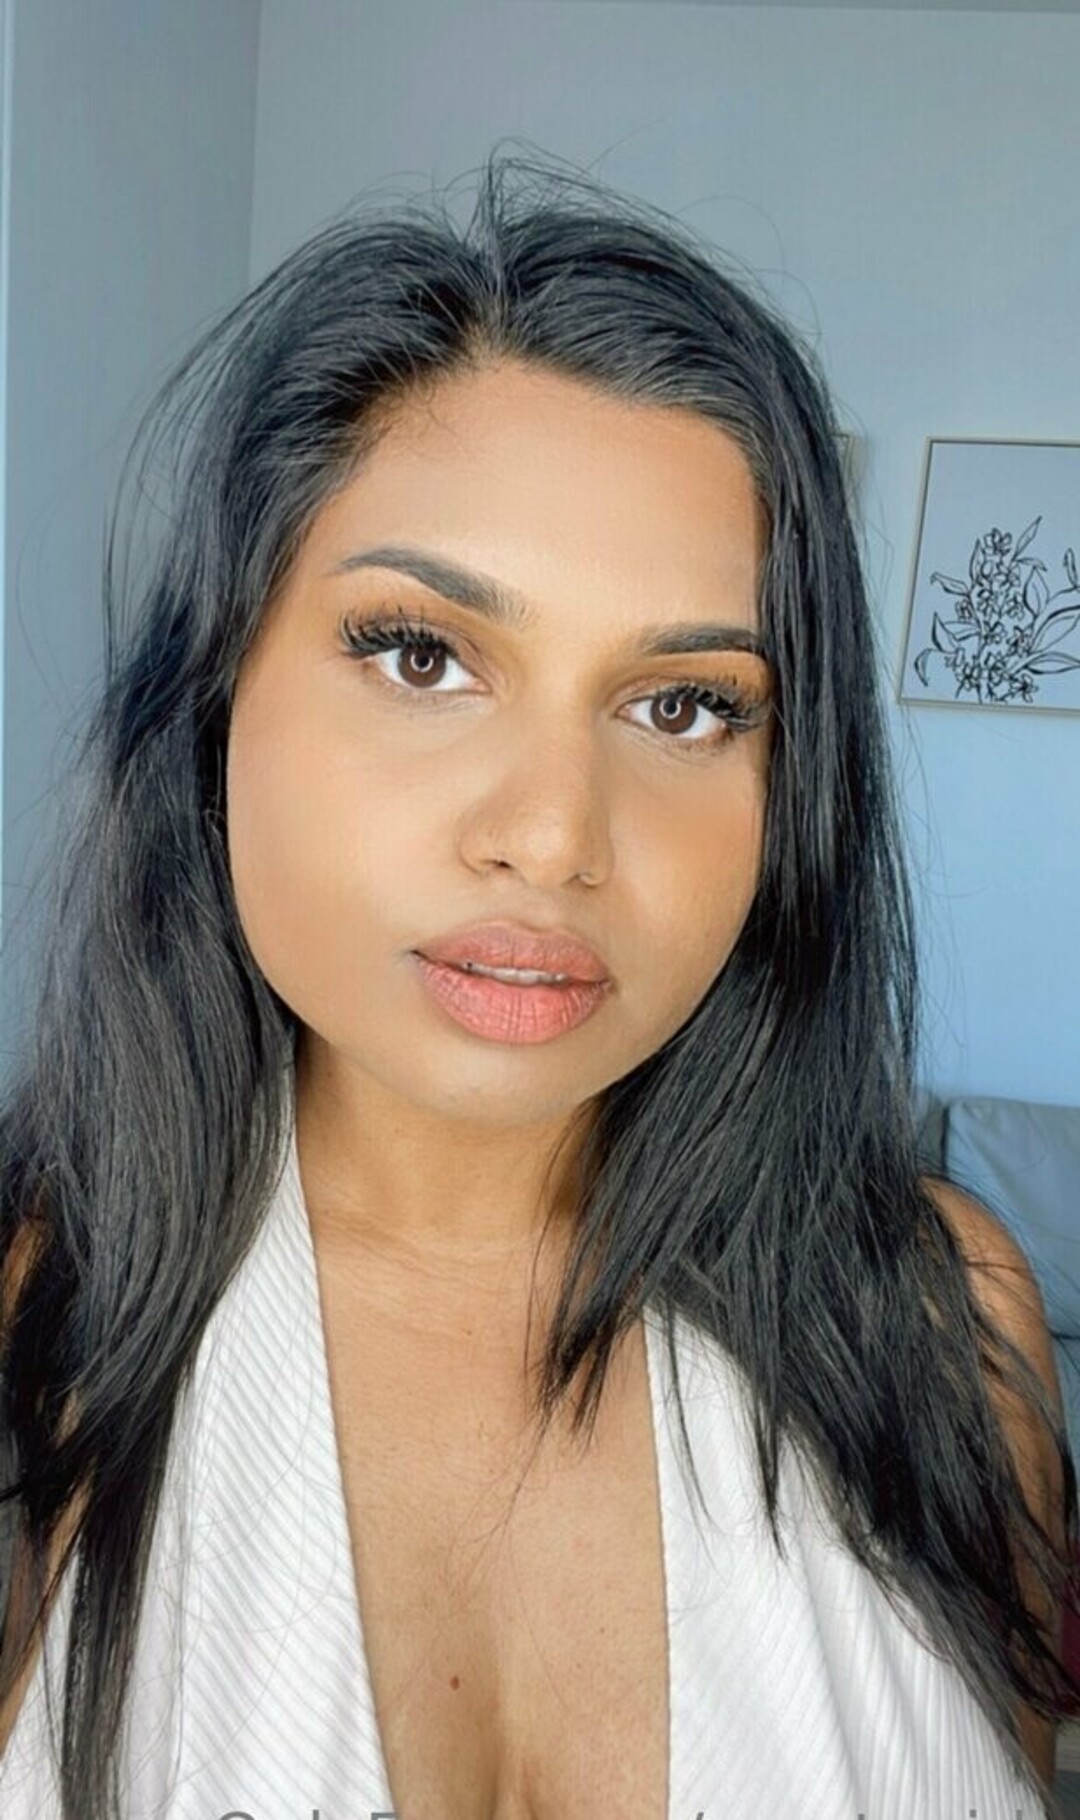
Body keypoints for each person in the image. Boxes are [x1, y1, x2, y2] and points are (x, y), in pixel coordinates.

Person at [0, 145, 1076, 1820]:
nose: (557, 836)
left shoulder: (943, 1324)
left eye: (684, 705)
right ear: (214, 702)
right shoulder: (34, 1338)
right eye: (422, 654)